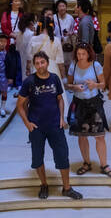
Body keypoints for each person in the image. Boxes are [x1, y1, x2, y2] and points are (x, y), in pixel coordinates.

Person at [17, 52, 83, 200]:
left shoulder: (54, 78)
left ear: (47, 63)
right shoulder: (29, 81)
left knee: (62, 156)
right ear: (35, 65)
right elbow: (20, 105)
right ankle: (44, 185)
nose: (40, 66)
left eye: (42, 62)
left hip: (55, 125)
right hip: (37, 127)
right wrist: (27, 123)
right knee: (37, 158)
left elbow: (60, 99)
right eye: (37, 63)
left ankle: (67, 188)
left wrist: (61, 117)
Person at [66, 43, 111, 178]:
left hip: (94, 103)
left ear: (89, 54)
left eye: (83, 54)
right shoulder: (73, 65)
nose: (80, 57)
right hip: (79, 103)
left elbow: (104, 84)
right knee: (82, 136)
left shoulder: (96, 65)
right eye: (78, 54)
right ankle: (86, 162)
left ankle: (104, 165)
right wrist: (74, 87)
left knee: (100, 136)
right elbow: (68, 85)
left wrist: (95, 85)